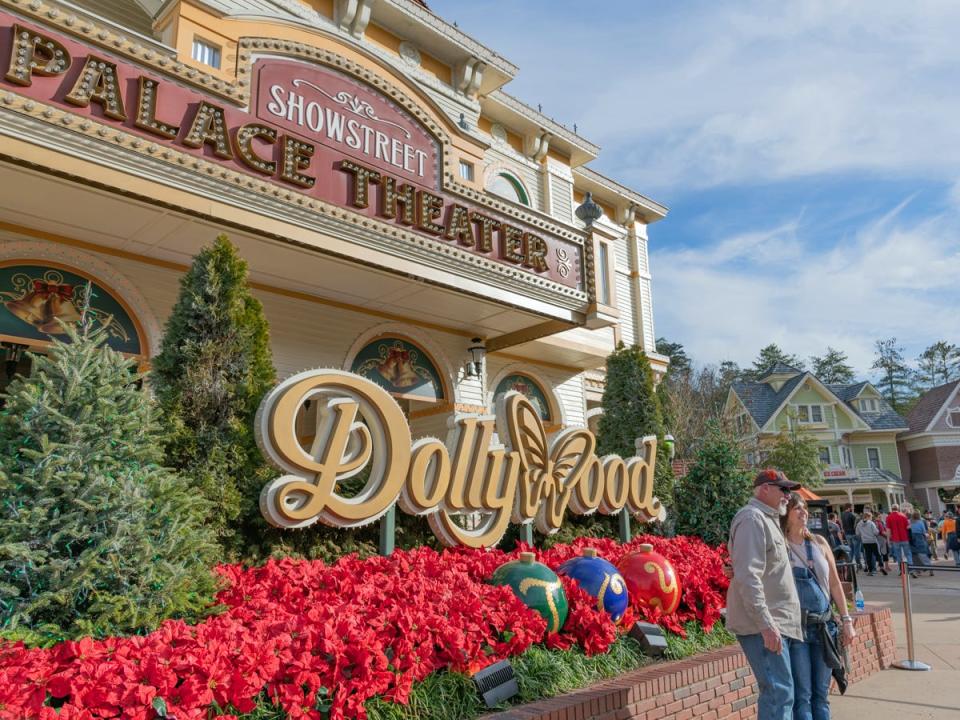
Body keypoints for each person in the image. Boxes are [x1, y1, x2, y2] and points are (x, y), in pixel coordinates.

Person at [727, 468, 803, 720]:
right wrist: (766, 624)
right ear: (764, 489)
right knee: (778, 694)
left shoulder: (767, 519)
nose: (788, 496)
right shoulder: (752, 519)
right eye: (783, 490)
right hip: (765, 627)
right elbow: (748, 577)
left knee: (782, 693)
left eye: (789, 491)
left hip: (777, 625)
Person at [782, 493, 856, 720]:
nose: (803, 512)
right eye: (797, 508)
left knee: (821, 694)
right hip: (798, 630)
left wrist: (846, 621)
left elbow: (834, 583)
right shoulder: (781, 547)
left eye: (804, 508)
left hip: (824, 627)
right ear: (786, 514)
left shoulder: (819, 543)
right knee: (802, 694)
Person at [856, 511, 886, 576]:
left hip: (865, 542)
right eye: (871, 517)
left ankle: (870, 570)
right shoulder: (871, 523)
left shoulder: (859, 524)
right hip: (873, 541)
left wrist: (863, 535)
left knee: (868, 556)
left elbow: (857, 533)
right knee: (878, 554)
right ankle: (881, 567)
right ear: (868, 517)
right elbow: (876, 532)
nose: (872, 518)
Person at [886, 505, 912, 574]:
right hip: (904, 538)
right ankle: (911, 569)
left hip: (895, 539)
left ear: (891, 509)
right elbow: (908, 527)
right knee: (908, 554)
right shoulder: (903, 516)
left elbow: (888, 530)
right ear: (898, 509)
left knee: (899, 556)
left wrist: (888, 540)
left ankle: (901, 570)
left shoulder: (889, 517)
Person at [909, 511, 934, 577]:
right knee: (923, 554)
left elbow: (908, 529)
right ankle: (930, 569)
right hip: (920, 538)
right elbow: (924, 531)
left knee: (915, 556)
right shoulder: (921, 522)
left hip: (912, 539)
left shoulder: (910, 522)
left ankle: (918, 571)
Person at [841, 504, 861, 570]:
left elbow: (843, 525)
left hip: (847, 534)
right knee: (857, 549)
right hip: (854, 533)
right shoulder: (852, 515)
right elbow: (856, 525)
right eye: (852, 507)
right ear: (849, 508)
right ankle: (858, 564)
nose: (853, 508)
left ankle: (849, 563)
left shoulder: (842, 515)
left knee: (851, 549)